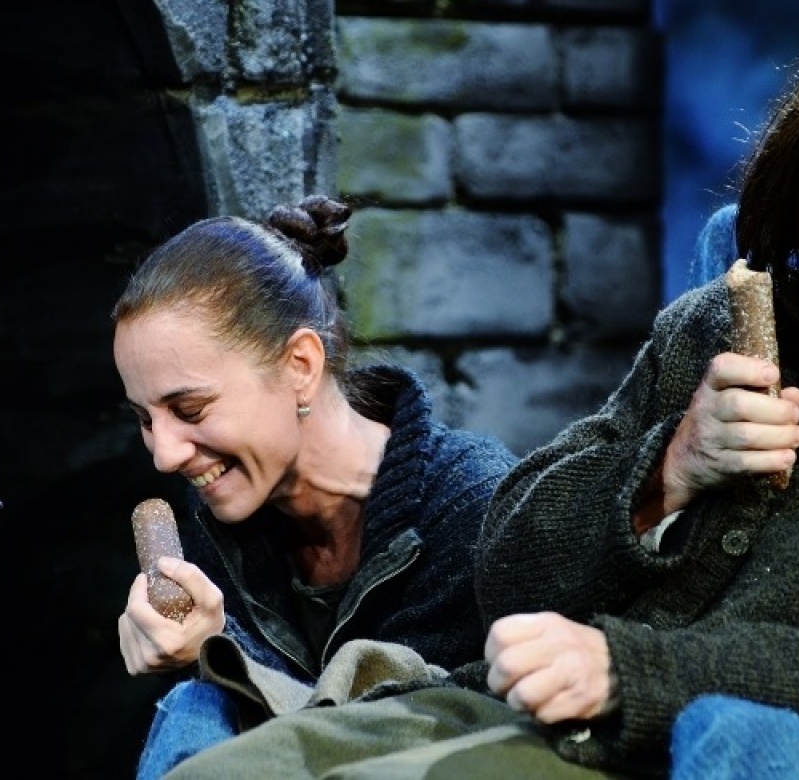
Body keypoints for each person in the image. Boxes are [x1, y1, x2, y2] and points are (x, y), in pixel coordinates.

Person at [158, 24, 799, 779]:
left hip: (772, 750)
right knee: (221, 761)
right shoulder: (719, 328)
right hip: (578, 728)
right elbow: (511, 565)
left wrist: (629, 668)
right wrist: (669, 469)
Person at [112, 195, 519, 778]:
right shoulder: (211, 529)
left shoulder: (475, 508)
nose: (164, 454)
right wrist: (182, 651)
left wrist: (224, 651)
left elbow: (416, 735)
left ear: (301, 365)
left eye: (190, 409)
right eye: (145, 419)